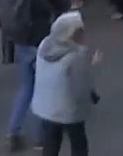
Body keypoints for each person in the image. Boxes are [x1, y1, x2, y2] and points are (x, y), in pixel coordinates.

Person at [2, 0, 71, 153]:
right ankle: (41, 137)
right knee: (45, 88)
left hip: (19, 39)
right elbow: (64, 4)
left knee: (26, 87)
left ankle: (13, 130)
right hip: (39, 40)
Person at [31, 12, 98, 156]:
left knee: (51, 140)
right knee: (78, 142)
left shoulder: (45, 46)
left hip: (47, 106)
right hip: (68, 109)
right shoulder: (76, 56)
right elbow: (81, 87)